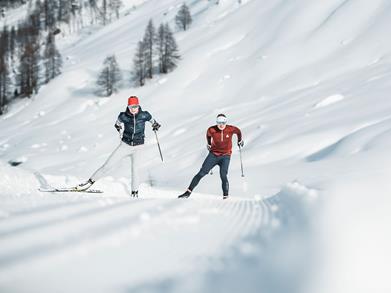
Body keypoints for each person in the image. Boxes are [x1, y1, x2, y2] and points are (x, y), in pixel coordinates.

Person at [74, 96, 161, 197]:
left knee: (135, 170)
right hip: (125, 145)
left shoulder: (144, 115)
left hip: (139, 147)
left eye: (135, 106)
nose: (133, 109)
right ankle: (88, 183)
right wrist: (118, 127)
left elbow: (153, 121)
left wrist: (155, 125)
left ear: (138, 106)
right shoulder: (123, 116)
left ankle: (134, 193)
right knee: (108, 165)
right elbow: (117, 123)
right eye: (131, 106)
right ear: (128, 107)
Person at [178, 114, 243, 199]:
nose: (221, 125)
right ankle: (188, 192)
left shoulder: (230, 129)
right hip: (213, 155)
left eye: (223, 122)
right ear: (216, 122)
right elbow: (208, 135)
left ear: (226, 122)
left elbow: (238, 131)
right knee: (201, 173)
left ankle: (226, 197)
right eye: (219, 122)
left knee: (223, 175)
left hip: (225, 156)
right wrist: (208, 143)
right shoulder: (211, 129)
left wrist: (240, 140)